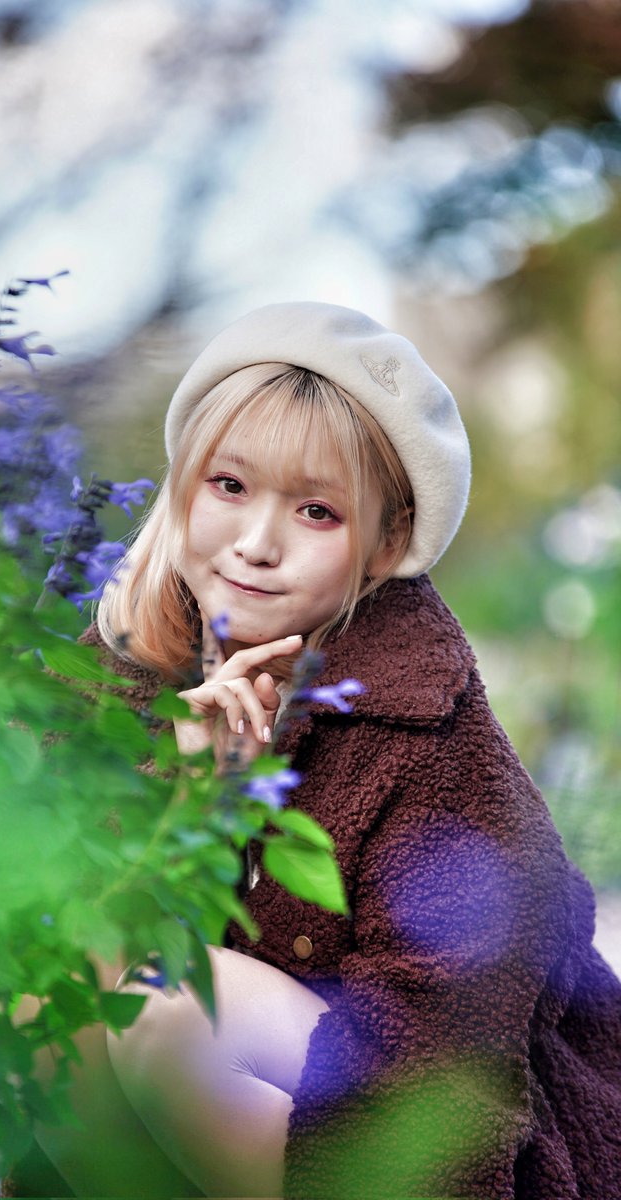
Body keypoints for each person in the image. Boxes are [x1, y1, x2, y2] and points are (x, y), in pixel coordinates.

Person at [50, 304, 621, 1198]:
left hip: (405, 1128)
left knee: (172, 1009)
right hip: (193, 1128)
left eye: (316, 511)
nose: (256, 543)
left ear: (384, 543)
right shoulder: (113, 678)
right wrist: (196, 808)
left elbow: (450, 1068)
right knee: (56, 973)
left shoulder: (428, 736)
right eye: (228, 486)